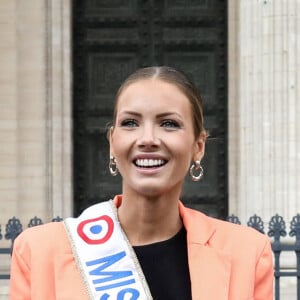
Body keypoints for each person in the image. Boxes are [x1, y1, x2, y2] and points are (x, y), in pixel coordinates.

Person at [9, 66, 274, 299]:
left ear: (199, 146)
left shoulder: (246, 254)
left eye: (169, 124)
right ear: (113, 142)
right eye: (131, 123)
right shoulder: (38, 252)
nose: (148, 139)